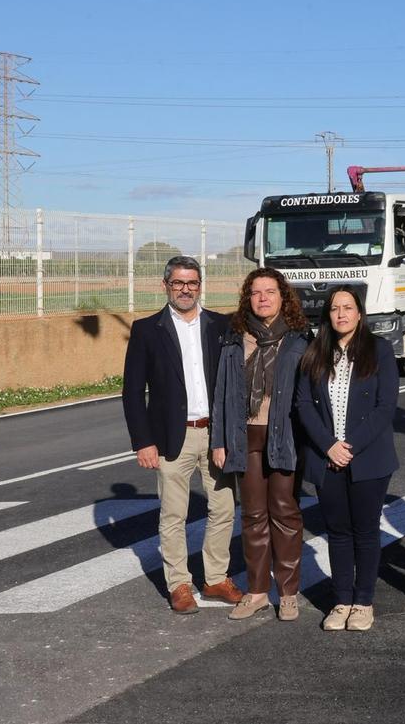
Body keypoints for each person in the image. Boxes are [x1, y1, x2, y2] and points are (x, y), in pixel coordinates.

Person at [122, 256, 240, 614]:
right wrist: (143, 441)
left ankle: (216, 578)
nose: (185, 289)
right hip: (173, 438)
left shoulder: (222, 325)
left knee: (223, 509)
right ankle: (180, 585)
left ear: (200, 285)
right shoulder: (146, 330)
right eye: (178, 283)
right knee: (174, 514)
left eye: (192, 283)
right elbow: (132, 391)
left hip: (215, 435)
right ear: (166, 286)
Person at [296, 286, 400, 632]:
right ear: (328, 315)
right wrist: (329, 446)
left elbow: (385, 407)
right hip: (327, 459)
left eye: (348, 307)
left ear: (359, 313)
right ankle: (341, 600)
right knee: (337, 532)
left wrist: (349, 446)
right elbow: (302, 405)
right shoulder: (315, 353)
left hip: (368, 458)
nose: (341, 314)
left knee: (366, 531)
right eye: (335, 308)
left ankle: (363, 603)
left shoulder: (379, 350)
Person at [211, 268, 310, 622]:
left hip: (285, 436)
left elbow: (310, 394)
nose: (263, 298)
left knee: (284, 513)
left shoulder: (300, 338)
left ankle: (288, 593)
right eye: (256, 292)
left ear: (283, 297)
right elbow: (222, 391)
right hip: (245, 436)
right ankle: (256, 592)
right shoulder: (236, 337)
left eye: (270, 291)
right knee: (253, 516)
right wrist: (219, 440)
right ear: (247, 298)